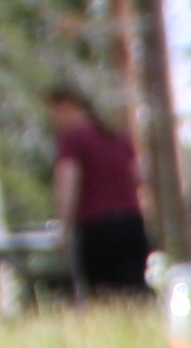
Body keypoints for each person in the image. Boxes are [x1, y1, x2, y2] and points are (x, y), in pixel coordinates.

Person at [45, 83, 152, 299]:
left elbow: (68, 179)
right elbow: (140, 176)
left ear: (69, 106)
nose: (54, 120)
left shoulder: (72, 138)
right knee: (136, 292)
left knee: (104, 296)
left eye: (55, 112)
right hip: (132, 223)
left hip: (97, 226)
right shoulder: (118, 137)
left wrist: (64, 227)